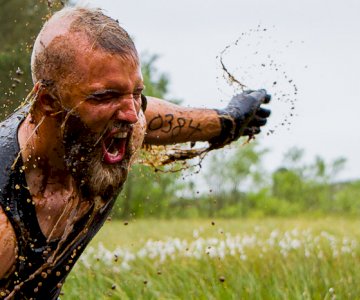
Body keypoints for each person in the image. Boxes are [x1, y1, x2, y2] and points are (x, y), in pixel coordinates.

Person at [0, 6, 271, 298]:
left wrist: (226, 121)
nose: (131, 114)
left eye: (136, 92)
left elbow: (148, 114)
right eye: (105, 96)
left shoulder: (108, 131)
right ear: (48, 102)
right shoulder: (5, 224)